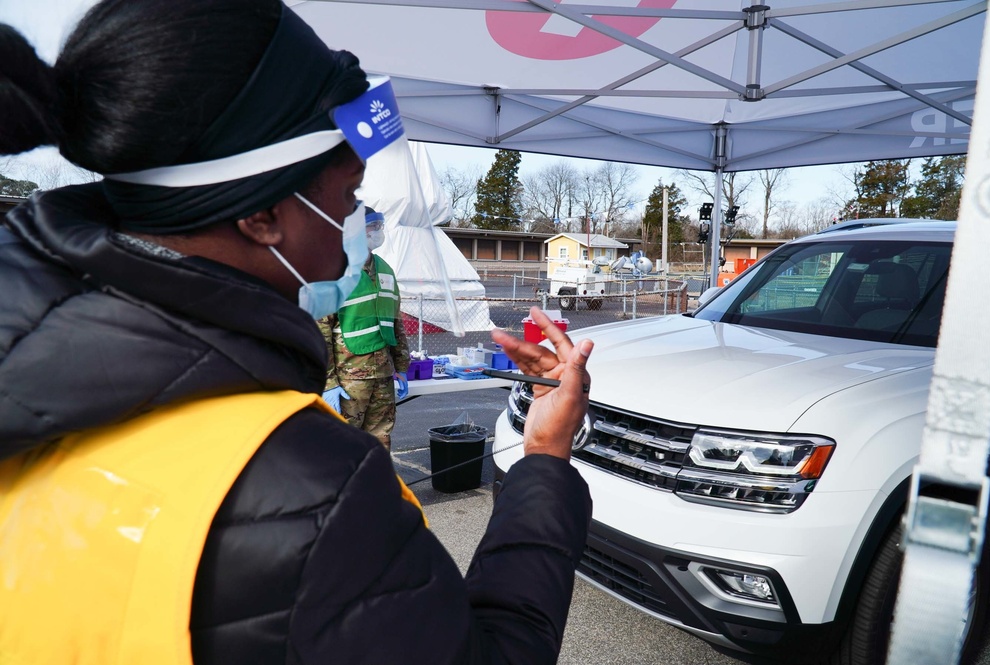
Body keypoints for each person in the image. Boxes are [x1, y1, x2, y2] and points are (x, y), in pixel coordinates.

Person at [0, 2, 593, 664]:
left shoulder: (32, 394)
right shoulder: (312, 487)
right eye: (347, 199)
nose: (353, 236)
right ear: (260, 215)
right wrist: (543, 455)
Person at [317, 206, 409, 449]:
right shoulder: (335, 270)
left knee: (380, 438)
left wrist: (401, 366)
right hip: (349, 378)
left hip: (383, 375)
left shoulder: (385, 270)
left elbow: (395, 321)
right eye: (373, 226)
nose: (379, 231)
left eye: (380, 225)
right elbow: (320, 330)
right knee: (343, 442)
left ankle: (374, 485)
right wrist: (328, 382)